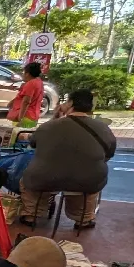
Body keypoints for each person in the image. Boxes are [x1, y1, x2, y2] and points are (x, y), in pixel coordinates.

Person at [18, 89, 116, 229]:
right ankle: (84, 219)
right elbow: (109, 153)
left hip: (44, 178)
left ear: (70, 103)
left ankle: (31, 214)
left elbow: (33, 143)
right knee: (89, 185)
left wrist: (55, 117)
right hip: (87, 180)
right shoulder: (103, 128)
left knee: (29, 181)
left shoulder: (49, 126)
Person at [6, 61, 46, 126]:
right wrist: (12, 103)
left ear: (27, 74)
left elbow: (26, 101)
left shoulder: (30, 84)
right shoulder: (38, 81)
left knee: (18, 135)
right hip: (33, 116)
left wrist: (20, 119)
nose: (23, 74)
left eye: (23, 72)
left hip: (26, 116)